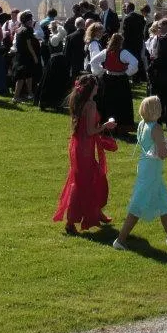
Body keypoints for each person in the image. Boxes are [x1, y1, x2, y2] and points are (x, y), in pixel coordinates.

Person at [53, 75, 119, 234]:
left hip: (79, 146)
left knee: (90, 178)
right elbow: (90, 131)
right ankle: (71, 221)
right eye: (96, 85)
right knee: (84, 182)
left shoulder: (79, 101)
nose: (98, 87)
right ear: (91, 88)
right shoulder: (90, 105)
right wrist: (105, 125)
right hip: (84, 148)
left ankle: (95, 211)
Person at [113, 96, 167, 249]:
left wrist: (164, 144)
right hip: (151, 169)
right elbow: (162, 154)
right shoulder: (156, 127)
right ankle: (120, 239)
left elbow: (152, 147)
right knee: (138, 204)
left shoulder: (143, 124)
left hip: (146, 166)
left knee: (163, 202)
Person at [93, 31, 139, 134]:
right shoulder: (123, 52)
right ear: (121, 42)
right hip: (120, 80)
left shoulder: (105, 52)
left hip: (107, 80)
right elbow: (135, 62)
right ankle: (120, 127)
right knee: (121, 103)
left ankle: (106, 126)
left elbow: (93, 61)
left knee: (107, 102)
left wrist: (100, 71)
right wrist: (128, 72)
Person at [12, 11, 42, 104]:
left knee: (28, 76)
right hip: (26, 56)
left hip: (20, 55)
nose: (32, 21)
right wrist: (35, 57)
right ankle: (16, 97)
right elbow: (29, 46)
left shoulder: (19, 29)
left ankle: (30, 94)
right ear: (27, 20)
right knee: (21, 77)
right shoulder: (28, 30)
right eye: (30, 19)